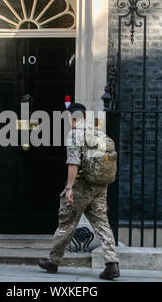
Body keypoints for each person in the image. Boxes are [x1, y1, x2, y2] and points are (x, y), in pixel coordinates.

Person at [38, 103, 120, 280]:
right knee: (102, 223)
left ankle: (52, 261)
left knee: (66, 222)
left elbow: (73, 163)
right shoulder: (98, 132)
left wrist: (68, 188)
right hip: (99, 186)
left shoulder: (75, 134)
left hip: (81, 186)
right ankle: (111, 263)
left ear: (71, 117)